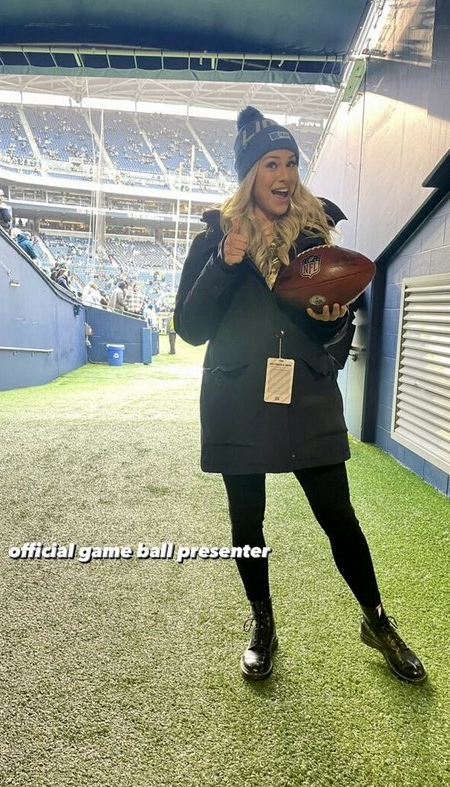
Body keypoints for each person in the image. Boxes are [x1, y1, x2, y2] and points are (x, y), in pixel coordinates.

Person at [174, 106, 426, 685]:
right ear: (249, 174)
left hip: (306, 394)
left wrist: (333, 322)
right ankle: (262, 624)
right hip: (238, 398)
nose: (284, 174)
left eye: (290, 162)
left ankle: (377, 621)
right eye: (271, 163)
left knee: (339, 516)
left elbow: (338, 327)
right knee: (247, 522)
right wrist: (224, 265)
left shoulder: (315, 242)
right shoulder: (214, 240)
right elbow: (189, 329)